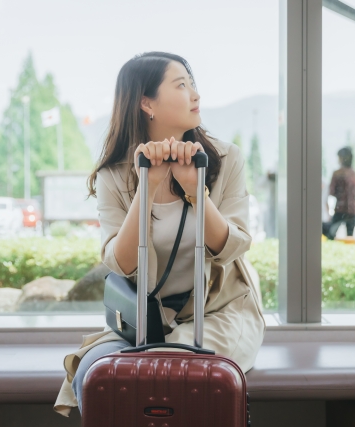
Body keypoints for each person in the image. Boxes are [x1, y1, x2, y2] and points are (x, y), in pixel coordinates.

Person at [53, 52, 266, 417]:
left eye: (193, 84)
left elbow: (233, 245)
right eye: (182, 85)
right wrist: (146, 186)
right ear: (146, 103)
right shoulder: (115, 176)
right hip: (147, 321)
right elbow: (120, 261)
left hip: (219, 312)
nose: (195, 95)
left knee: (161, 367)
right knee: (94, 373)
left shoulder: (224, 159)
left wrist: (195, 189)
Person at [324, 147, 355, 240]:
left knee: (331, 235)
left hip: (340, 209)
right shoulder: (353, 173)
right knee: (350, 238)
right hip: (351, 210)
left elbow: (332, 191)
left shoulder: (337, 173)